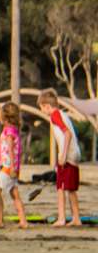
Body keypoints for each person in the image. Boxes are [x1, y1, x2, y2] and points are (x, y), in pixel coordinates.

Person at [44, 97, 82, 229]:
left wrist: (63, 155)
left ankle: (61, 218)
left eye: (41, 107)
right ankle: (76, 218)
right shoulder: (63, 114)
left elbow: (67, 134)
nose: (41, 110)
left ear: (47, 105)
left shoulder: (55, 115)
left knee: (61, 188)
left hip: (68, 156)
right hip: (74, 154)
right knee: (69, 188)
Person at [0, 104, 30, 229]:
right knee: (15, 194)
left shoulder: (9, 131)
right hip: (13, 166)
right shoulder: (13, 129)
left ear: (5, 117)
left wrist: (12, 167)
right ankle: (23, 221)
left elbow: (11, 149)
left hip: (9, 166)